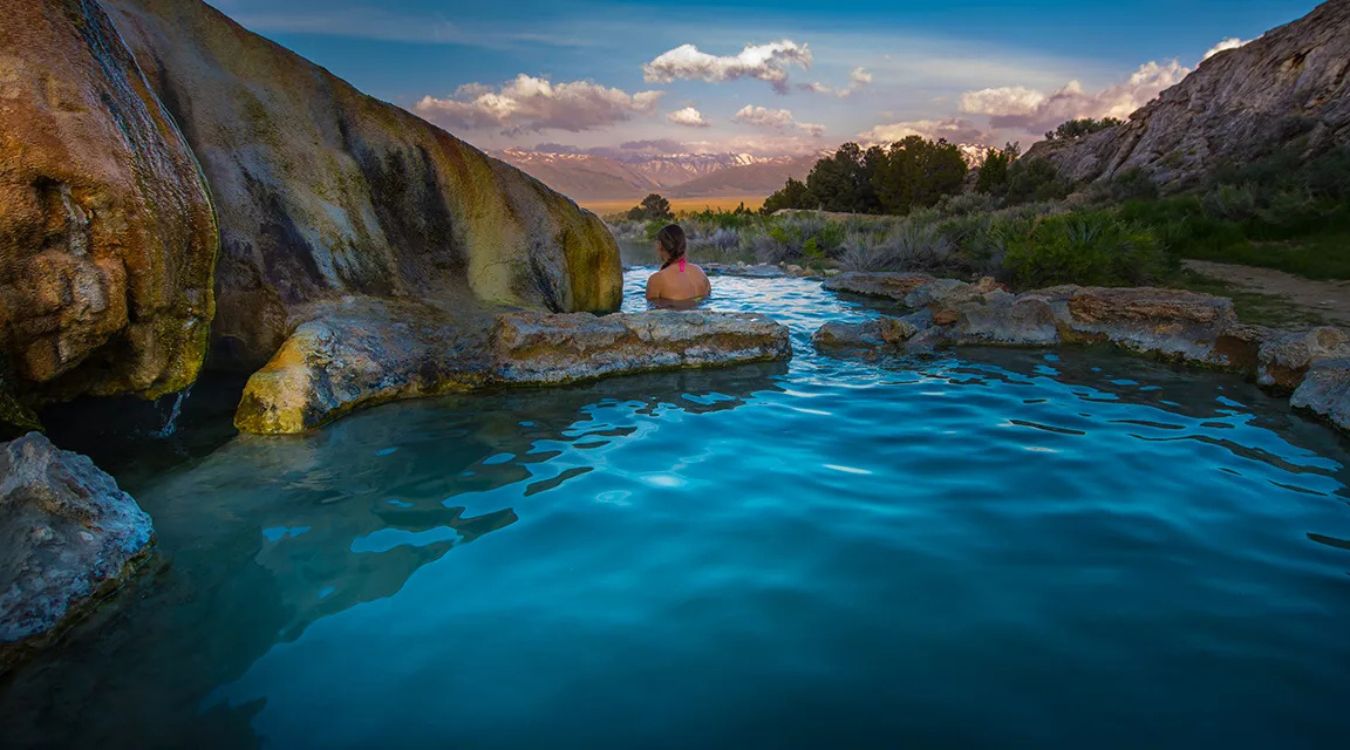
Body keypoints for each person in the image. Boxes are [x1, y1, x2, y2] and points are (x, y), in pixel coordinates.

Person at [645, 224, 711, 305]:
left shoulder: (657, 280)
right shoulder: (700, 272)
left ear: (660, 245)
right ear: (684, 245)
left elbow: (652, 314)